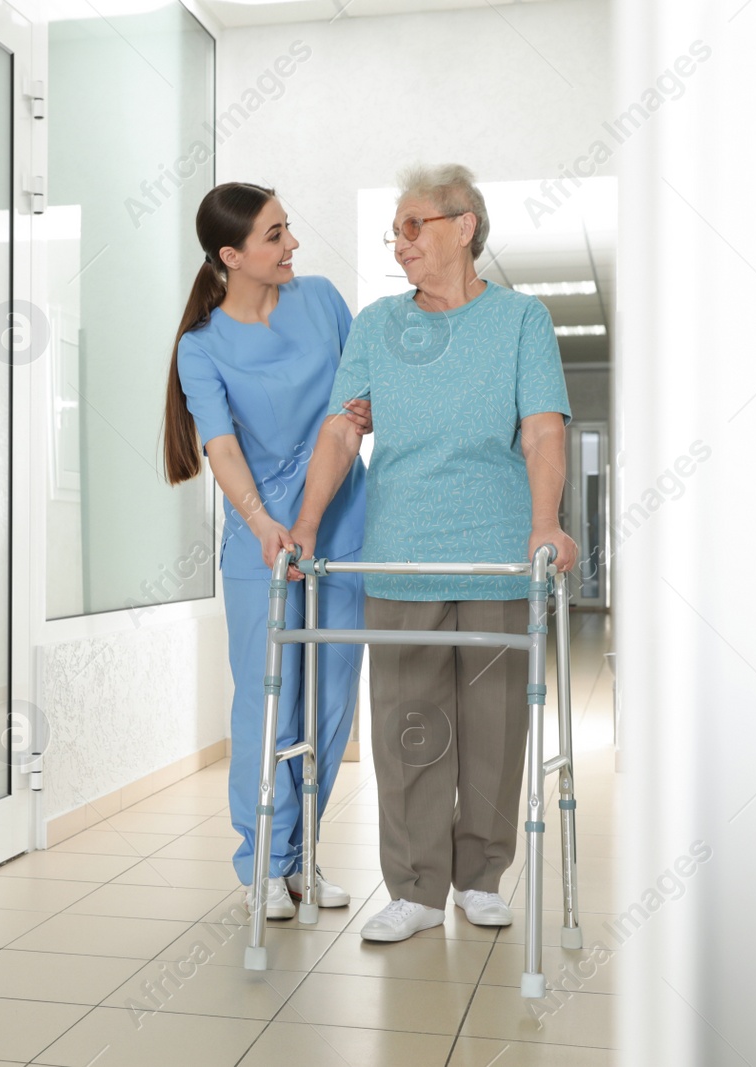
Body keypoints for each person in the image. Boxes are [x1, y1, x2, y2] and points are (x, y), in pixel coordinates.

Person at [285, 163, 576, 942]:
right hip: (403, 553)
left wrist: (544, 522)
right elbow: (344, 427)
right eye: (396, 230)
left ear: (465, 226)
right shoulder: (379, 325)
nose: (400, 241)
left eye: (415, 225)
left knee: (492, 724)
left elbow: (545, 427)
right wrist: (307, 523)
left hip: (496, 553)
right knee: (410, 724)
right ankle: (415, 887)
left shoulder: (522, 320)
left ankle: (481, 876)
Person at [162, 182, 371, 918]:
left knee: (332, 701)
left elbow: (357, 402)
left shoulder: (321, 302)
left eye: (288, 230)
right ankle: (261, 860)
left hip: (342, 518)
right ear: (232, 255)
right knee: (267, 700)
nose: (292, 246)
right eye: (276, 235)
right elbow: (219, 445)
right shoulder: (203, 345)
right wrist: (259, 522)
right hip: (262, 538)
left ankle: (300, 860)